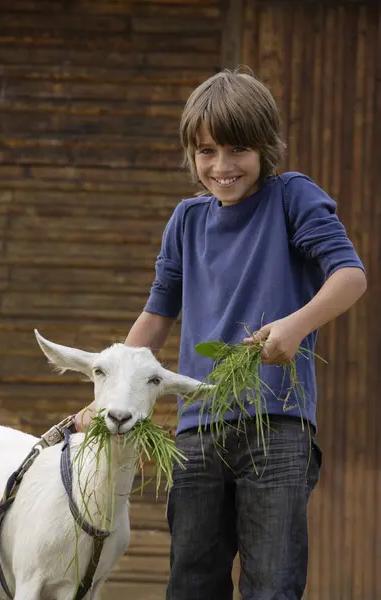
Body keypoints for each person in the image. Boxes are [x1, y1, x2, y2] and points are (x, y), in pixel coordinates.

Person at [76, 68, 367, 599]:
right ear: (192, 154)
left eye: (237, 149)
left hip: (276, 427)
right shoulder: (186, 220)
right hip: (197, 432)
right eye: (207, 151)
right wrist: (113, 389)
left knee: (272, 584)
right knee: (191, 582)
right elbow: (157, 314)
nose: (222, 166)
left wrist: (295, 326)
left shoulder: (291, 198)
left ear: (265, 147)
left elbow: (350, 276)